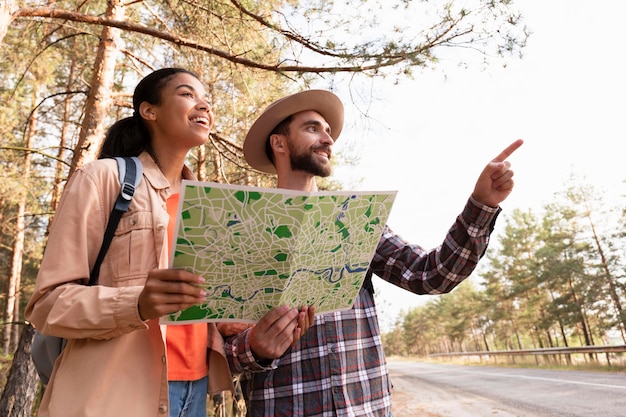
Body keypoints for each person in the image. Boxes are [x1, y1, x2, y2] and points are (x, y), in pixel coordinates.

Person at [224, 89, 523, 417]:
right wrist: (255, 349)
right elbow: (222, 353)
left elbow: (431, 275)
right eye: (313, 128)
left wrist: (482, 203)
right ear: (279, 143)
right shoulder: (240, 231)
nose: (327, 139)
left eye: (328, 131)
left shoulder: (356, 219)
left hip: (367, 409)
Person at [25, 68, 235, 417]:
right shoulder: (103, 178)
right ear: (149, 110)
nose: (204, 105)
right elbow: (47, 305)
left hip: (196, 391)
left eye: (207, 100)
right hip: (115, 392)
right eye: (187, 94)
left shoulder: (212, 205)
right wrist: (136, 303)